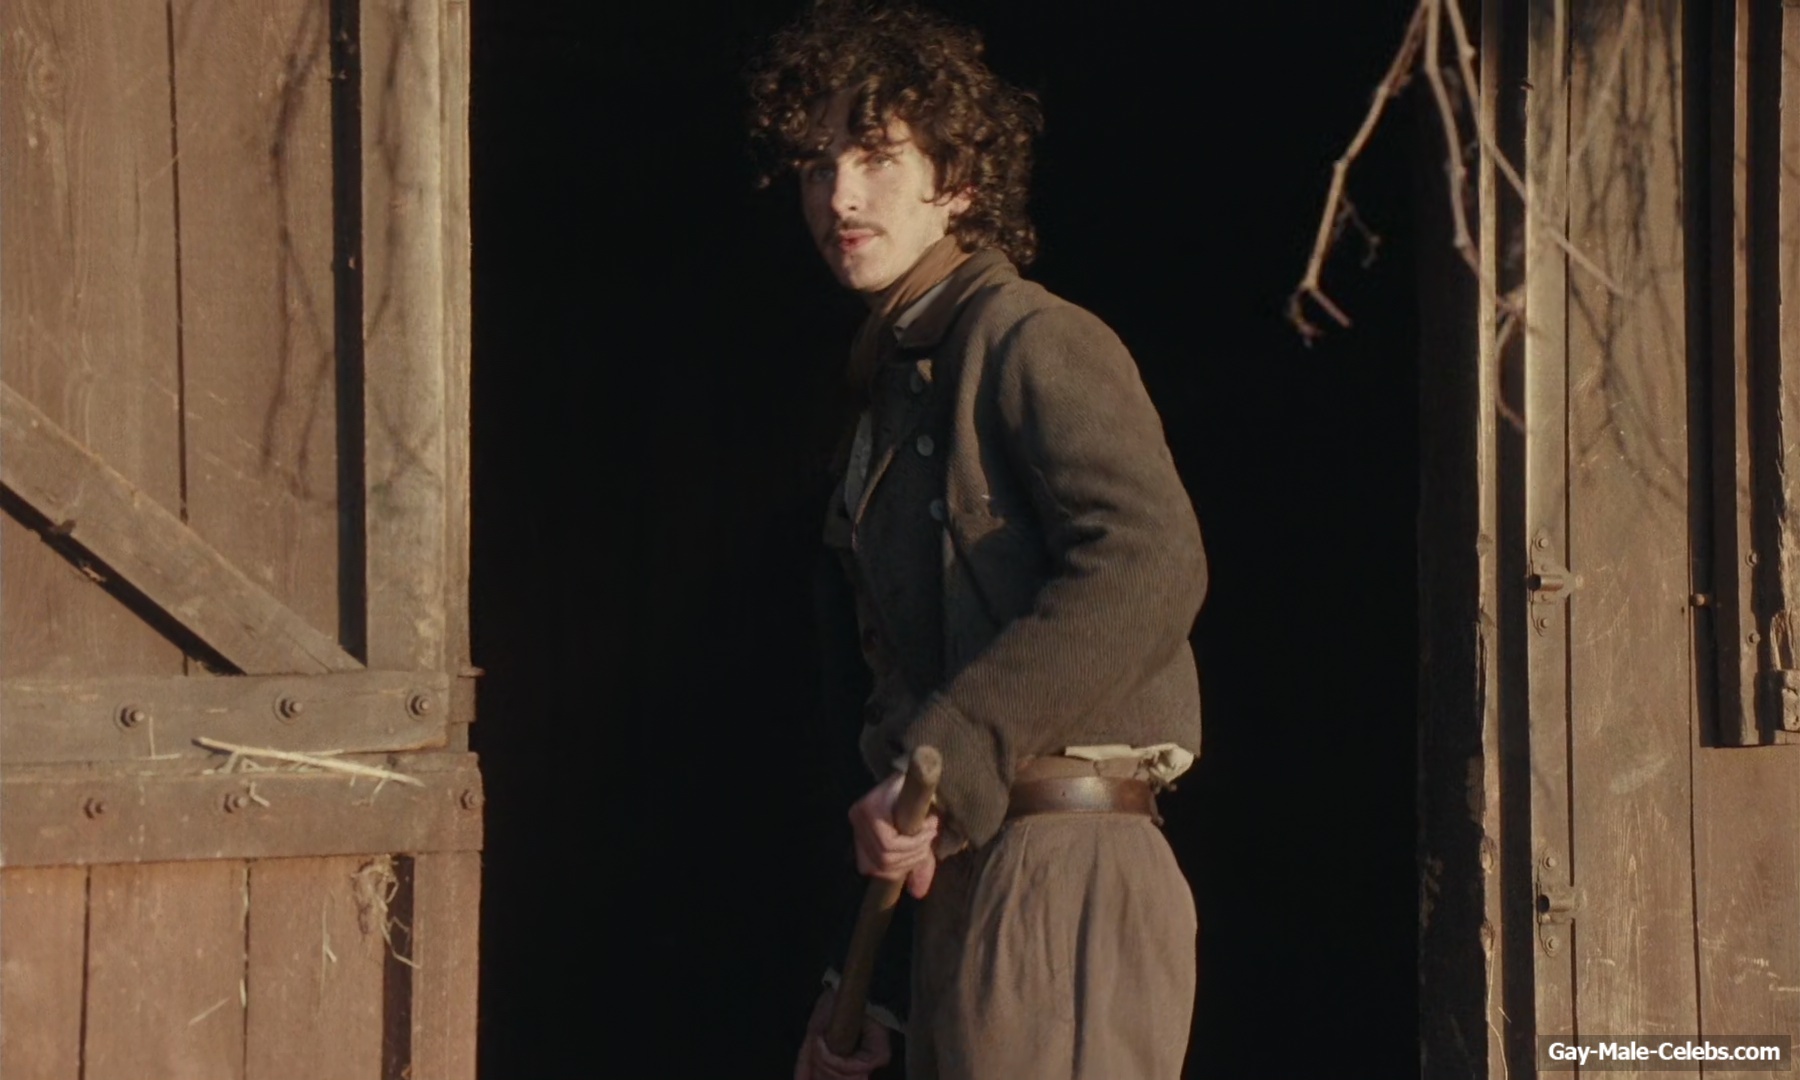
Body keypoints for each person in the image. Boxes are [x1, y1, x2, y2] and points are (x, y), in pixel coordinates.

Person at [748, 4, 1207, 1078]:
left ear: (956, 180)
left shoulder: (1032, 339)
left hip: (1066, 866)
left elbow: (1151, 561)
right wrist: (864, 984)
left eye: (876, 156)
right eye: (817, 166)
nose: (839, 196)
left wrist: (953, 754)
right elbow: (893, 708)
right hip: (960, 882)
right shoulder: (890, 387)